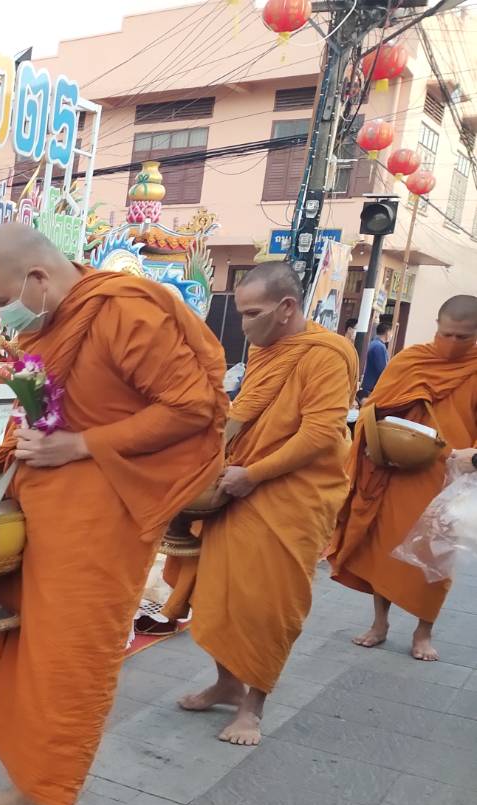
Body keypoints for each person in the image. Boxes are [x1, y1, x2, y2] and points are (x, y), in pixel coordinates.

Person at [0, 224, 226, 805]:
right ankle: (28, 777)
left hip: (101, 514)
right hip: (39, 501)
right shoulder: (46, 322)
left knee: (69, 658)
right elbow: (59, 409)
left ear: (37, 279)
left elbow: (194, 406)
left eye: (2, 299)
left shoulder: (123, 311)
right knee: (13, 647)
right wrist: (37, 435)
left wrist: (81, 445)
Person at [172, 262, 357, 746]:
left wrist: (252, 476)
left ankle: (253, 706)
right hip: (240, 486)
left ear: (286, 308)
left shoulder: (326, 355)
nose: (244, 323)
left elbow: (320, 433)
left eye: (253, 312)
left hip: (292, 495)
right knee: (219, 595)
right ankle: (227, 683)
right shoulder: (264, 349)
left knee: (269, 605)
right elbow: (246, 412)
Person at [328, 295, 477, 661]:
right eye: (448, 334)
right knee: (385, 548)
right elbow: (372, 409)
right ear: (436, 328)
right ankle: (380, 624)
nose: (453, 344)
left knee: (435, 559)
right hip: (398, 471)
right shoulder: (412, 361)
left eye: (464, 338)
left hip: (448, 479)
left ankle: (423, 632)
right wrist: (376, 441)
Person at [360, 320, 392, 399]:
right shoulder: (379, 346)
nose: (391, 336)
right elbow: (382, 369)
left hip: (370, 386)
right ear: (387, 333)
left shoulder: (375, 343)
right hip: (372, 388)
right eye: (391, 333)